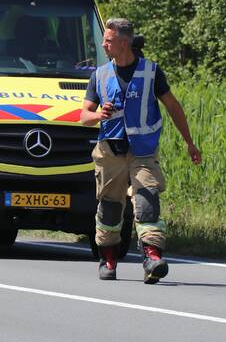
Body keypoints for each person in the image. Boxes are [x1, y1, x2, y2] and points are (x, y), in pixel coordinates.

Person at [80, 18, 202, 283]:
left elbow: (173, 106)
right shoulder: (99, 75)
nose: (103, 45)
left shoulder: (151, 72)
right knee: (111, 208)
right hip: (110, 151)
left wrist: (189, 142)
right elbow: (83, 116)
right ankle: (109, 259)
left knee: (147, 201)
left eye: (108, 41)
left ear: (124, 43)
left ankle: (152, 257)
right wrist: (99, 114)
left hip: (143, 151)